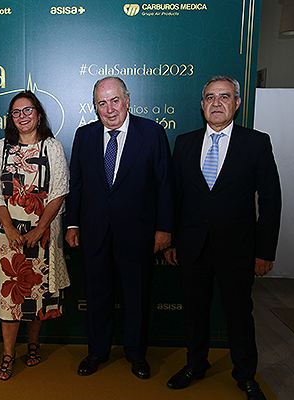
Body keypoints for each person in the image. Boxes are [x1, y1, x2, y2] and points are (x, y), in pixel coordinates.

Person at [165, 75, 281, 400]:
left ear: (237, 103)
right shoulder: (184, 143)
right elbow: (176, 196)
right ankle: (195, 365)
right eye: (211, 97)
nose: (217, 103)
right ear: (202, 105)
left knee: (239, 316)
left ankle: (245, 375)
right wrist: (173, 240)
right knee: (194, 314)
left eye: (224, 97)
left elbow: (271, 200)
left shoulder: (256, 143)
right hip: (192, 248)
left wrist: (265, 251)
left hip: (239, 250)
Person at [65, 76, 174, 379]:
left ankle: (136, 354)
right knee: (97, 295)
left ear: (127, 100)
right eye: (102, 103)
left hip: (138, 233)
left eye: (115, 100)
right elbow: (77, 183)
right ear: (95, 106)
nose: (110, 108)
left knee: (136, 298)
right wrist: (72, 224)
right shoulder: (84, 135)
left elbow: (165, 185)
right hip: (95, 232)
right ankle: (97, 351)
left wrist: (164, 228)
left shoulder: (152, 133)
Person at [0, 90, 70, 380]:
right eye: (16, 112)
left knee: (35, 294)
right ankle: (8, 354)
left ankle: (34, 345)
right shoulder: (1, 148)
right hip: (7, 236)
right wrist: (8, 228)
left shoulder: (52, 147)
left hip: (41, 235)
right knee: (10, 298)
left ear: (39, 114)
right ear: (11, 118)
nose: (22, 116)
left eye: (27, 110)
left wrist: (40, 229)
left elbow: (59, 191)